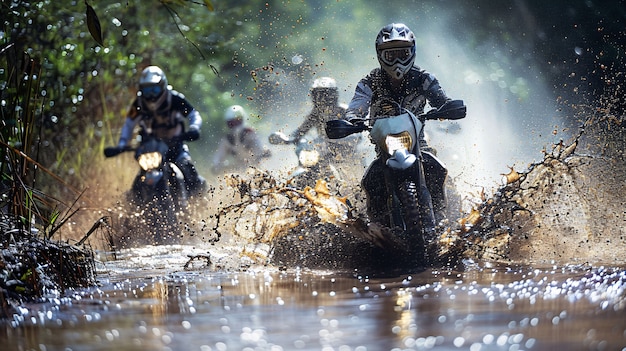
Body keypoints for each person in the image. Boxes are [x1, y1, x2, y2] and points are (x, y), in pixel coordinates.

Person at [345, 23, 460, 225]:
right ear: (380, 55)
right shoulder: (370, 81)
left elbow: (442, 100)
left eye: (402, 53)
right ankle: (374, 225)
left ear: (412, 52)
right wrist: (352, 118)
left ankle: (450, 220)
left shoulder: (424, 79)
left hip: (418, 145)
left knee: (437, 170)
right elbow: (357, 104)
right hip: (384, 149)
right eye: (391, 55)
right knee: (371, 181)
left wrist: (448, 108)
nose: (397, 60)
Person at [114, 65, 206, 194]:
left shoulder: (175, 99)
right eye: (147, 91)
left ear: (163, 86)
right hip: (150, 151)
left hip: (176, 148)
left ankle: (199, 203)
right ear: (141, 90)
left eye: (155, 90)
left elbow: (193, 114)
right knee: (137, 185)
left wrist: (194, 128)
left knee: (190, 173)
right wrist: (122, 144)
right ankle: (133, 210)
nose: (151, 95)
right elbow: (129, 125)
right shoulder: (138, 104)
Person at [211, 105, 271, 174]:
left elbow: (259, 148)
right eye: (232, 123)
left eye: (237, 121)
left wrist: (261, 154)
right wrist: (217, 166)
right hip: (240, 170)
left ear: (242, 120)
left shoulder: (250, 133)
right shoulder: (227, 140)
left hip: (257, 168)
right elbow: (219, 155)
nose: (235, 125)